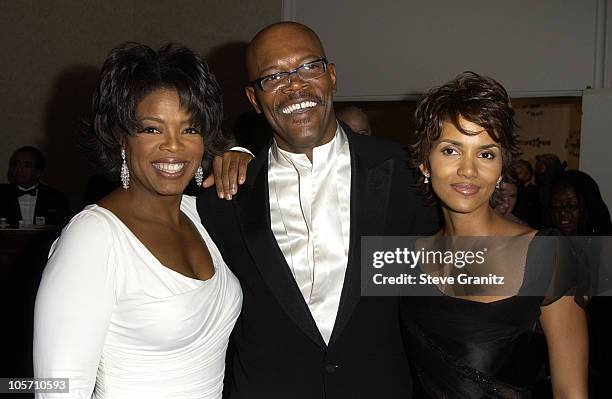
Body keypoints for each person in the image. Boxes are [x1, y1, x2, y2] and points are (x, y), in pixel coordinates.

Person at [196, 22, 438, 399]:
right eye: (274, 75)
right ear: (254, 98)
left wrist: (556, 269)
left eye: (309, 66)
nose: (295, 85)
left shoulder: (406, 176)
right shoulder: (223, 198)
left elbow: (457, 274)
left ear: (332, 76)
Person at [33, 43, 242, 398]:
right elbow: (58, 388)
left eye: (189, 129)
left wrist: (244, 153)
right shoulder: (93, 238)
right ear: (121, 139)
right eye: (151, 129)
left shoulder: (201, 216)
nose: (173, 147)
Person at [406, 71, 588, 398]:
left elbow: (571, 392)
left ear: (502, 167)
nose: (468, 169)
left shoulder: (548, 255)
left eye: (486, 153)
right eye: (451, 150)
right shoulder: (406, 257)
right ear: (424, 162)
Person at [0, 146, 70, 226]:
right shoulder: (2, 194)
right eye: (16, 164)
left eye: (27, 165)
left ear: (38, 172)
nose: (19, 169)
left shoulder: (57, 198)